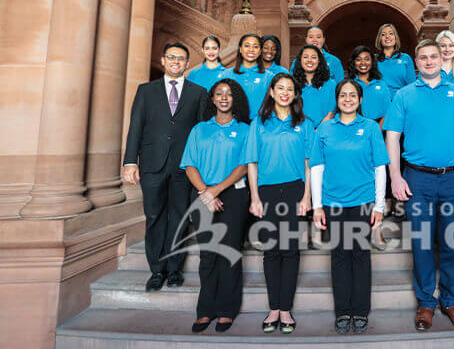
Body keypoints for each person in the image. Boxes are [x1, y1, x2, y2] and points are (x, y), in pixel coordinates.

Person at [383, 39, 454, 332]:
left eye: (433, 56)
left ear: (443, 60)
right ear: (415, 62)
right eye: (423, 57)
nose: (429, 61)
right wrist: (395, 176)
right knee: (422, 242)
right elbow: (392, 137)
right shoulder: (404, 96)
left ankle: (451, 300)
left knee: (452, 241)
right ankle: (426, 301)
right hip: (417, 178)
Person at [123, 42, 207, 292]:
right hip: (152, 164)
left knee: (180, 217)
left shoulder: (198, 92)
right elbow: (136, 127)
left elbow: (201, 132)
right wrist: (130, 161)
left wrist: (200, 166)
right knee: (154, 216)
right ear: (163, 60)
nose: (176, 62)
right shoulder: (145, 91)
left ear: (187, 64)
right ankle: (156, 271)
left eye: (181, 59)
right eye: (171, 57)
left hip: (184, 166)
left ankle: (174, 270)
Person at [310, 80, 389, 335]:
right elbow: (317, 169)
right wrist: (317, 206)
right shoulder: (324, 129)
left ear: (360, 99)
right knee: (340, 257)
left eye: (352, 95)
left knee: (360, 256)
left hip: (363, 202)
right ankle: (343, 311)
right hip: (333, 203)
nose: (347, 99)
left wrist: (379, 206)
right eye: (343, 95)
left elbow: (380, 168)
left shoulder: (370, 128)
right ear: (337, 99)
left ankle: (361, 311)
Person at [180, 79, 250, 333]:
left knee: (229, 252)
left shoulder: (244, 130)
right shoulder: (199, 129)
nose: (223, 98)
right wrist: (205, 193)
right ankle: (205, 310)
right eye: (219, 94)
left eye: (229, 94)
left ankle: (227, 310)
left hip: (233, 196)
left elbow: (244, 166)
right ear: (212, 99)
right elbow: (189, 165)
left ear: (235, 99)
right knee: (208, 254)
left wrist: (216, 190)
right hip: (203, 195)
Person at [246, 73, 314, 334]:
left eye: (290, 89)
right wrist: (254, 197)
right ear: (272, 92)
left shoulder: (304, 124)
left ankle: (286, 309)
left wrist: (307, 196)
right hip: (267, 191)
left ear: (296, 94)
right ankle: (273, 307)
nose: (285, 92)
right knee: (271, 250)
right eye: (280, 88)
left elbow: (309, 164)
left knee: (290, 250)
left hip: (296, 190)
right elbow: (252, 162)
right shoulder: (259, 123)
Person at [223, 34, 274, 117]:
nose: (251, 50)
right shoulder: (227, 74)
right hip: (234, 124)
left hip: (260, 124)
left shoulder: (269, 77)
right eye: (247, 46)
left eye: (255, 47)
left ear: (260, 51)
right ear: (240, 49)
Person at [293, 44, 336, 129]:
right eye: (305, 57)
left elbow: (331, 112)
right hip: (298, 132)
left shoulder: (331, 84)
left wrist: (318, 131)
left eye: (313, 57)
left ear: (319, 60)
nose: (309, 60)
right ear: (300, 60)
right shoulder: (293, 83)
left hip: (323, 132)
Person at [347, 45, 391, 123]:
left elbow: (387, 112)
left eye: (367, 59)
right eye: (358, 59)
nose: (363, 63)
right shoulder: (348, 84)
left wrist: (377, 131)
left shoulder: (381, 84)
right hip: (354, 127)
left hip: (379, 127)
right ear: (353, 62)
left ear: (372, 62)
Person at [375, 23, 416, 97]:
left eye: (391, 33)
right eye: (383, 34)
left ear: (395, 38)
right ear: (380, 39)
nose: (387, 36)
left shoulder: (406, 58)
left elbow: (411, 85)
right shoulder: (373, 59)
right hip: (379, 99)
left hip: (400, 100)